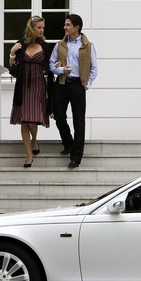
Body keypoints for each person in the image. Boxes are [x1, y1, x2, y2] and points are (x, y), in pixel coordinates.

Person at [49, 13, 98, 169]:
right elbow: (51, 65)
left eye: (68, 25)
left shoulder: (88, 46)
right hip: (61, 84)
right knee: (58, 115)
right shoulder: (59, 45)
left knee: (78, 121)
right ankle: (68, 142)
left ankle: (76, 157)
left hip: (77, 85)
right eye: (65, 24)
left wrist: (86, 84)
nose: (65, 27)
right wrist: (62, 70)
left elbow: (94, 69)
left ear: (77, 27)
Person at [8, 16, 53, 168]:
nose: (41, 30)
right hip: (23, 85)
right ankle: (29, 156)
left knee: (33, 118)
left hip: (38, 85)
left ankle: (34, 139)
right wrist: (12, 54)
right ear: (31, 29)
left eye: (43, 28)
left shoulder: (46, 47)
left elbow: (50, 66)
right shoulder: (21, 44)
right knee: (24, 119)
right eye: (39, 27)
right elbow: (12, 68)